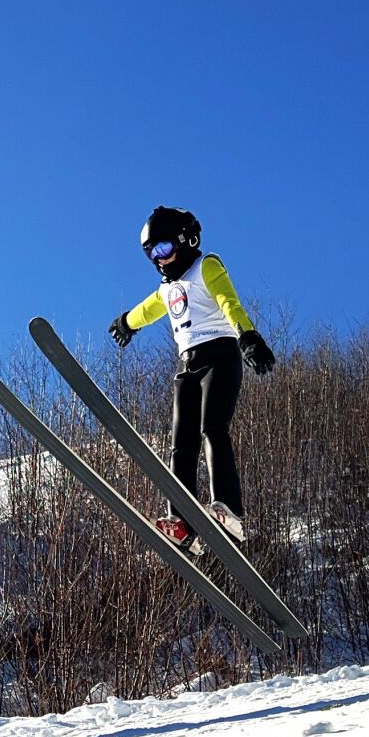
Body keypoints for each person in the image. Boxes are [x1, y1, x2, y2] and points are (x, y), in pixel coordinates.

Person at [108, 207, 276, 547]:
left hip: (220, 355)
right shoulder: (167, 288)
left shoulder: (206, 267)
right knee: (181, 444)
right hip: (188, 366)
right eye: (151, 254)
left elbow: (230, 303)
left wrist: (248, 336)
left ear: (186, 240)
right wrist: (127, 322)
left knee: (212, 427)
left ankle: (228, 508)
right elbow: (150, 309)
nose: (159, 260)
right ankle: (181, 520)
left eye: (164, 249)